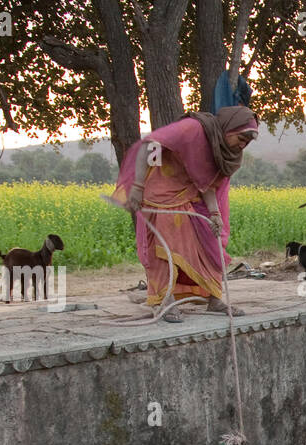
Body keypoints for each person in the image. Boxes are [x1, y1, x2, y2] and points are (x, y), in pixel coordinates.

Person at [110, 105, 259, 322]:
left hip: (190, 196)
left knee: (208, 243)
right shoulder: (192, 129)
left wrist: (214, 213)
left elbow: (206, 182)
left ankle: (214, 298)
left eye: (249, 140)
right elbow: (148, 145)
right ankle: (165, 300)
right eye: (242, 137)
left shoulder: (220, 149)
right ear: (230, 127)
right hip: (161, 194)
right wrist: (138, 186)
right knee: (165, 247)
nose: (244, 143)